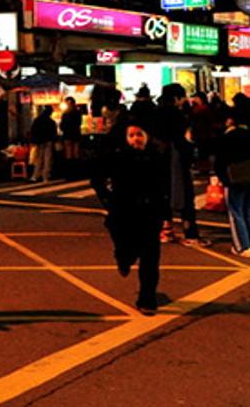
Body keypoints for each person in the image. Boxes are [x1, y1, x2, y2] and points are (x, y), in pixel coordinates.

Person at [91, 121, 170, 314]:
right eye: (132, 135)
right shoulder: (117, 157)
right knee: (127, 247)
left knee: (151, 258)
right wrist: (107, 200)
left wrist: (166, 215)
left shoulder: (157, 157)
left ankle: (147, 298)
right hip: (123, 212)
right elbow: (97, 178)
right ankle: (124, 258)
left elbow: (164, 187)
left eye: (140, 134)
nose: (136, 139)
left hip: (150, 213)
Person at [154, 84, 208, 247]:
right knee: (185, 197)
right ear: (177, 98)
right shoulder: (179, 116)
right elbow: (186, 140)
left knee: (164, 196)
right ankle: (190, 233)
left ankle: (166, 231)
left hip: (159, 161)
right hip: (177, 161)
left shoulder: (155, 114)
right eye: (183, 97)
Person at [213, 107, 250, 258]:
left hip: (235, 179)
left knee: (236, 212)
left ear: (230, 121)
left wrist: (221, 178)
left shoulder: (226, 138)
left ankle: (243, 246)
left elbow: (220, 161)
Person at [30, 105, 58, 183]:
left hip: (40, 141)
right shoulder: (51, 122)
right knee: (47, 159)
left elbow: (33, 131)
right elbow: (54, 133)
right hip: (48, 141)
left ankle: (35, 176)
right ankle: (45, 176)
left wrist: (33, 141)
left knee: (39, 159)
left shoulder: (37, 120)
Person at [60, 97, 83, 163]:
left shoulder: (65, 114)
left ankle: (70, 168)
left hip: (67, 134)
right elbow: (79, 123)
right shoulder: (78, 113)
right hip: (76, 134)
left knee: (68, 153)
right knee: (76, 152)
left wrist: (64, 128)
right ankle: (76, 167)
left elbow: (62, 125)